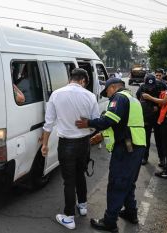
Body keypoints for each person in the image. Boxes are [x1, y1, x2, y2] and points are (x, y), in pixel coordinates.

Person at [75, 78, 146, 232]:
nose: (107, 96)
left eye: (107, 91)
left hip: (127, 147)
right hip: (137, 146)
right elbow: (122, 123)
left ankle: (109, 222)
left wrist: (88, 123)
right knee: (128, 182)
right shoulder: (132, 99)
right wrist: (101, 136)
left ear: (113, 87)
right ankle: (130, 212)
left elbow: (108, 120)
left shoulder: (119, 98)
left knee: (117, 183)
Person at [41, 68, 100, 230]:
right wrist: (87, 131)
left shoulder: (56, 94)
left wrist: (45, 145)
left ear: (71, 78)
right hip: (84, 143)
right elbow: (95, 123)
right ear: (83, 81)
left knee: (69, 181)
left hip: (66, 144)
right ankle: (82, 206)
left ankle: (68, 217)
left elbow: (48, 124)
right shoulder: (90, 96)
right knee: (80, 175)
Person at [136, 74, 167, 166]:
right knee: (145, 139)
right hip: (146, 117)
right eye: (148, 87)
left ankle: (162, 159)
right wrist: (147, 106)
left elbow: (166, 99)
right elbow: (138, 98)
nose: (150, 89)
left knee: (159, 139)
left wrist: (157, 106)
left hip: (158, 118)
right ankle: (144, 157)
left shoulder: (161, 86)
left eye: (151, 87)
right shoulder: (142, 87)